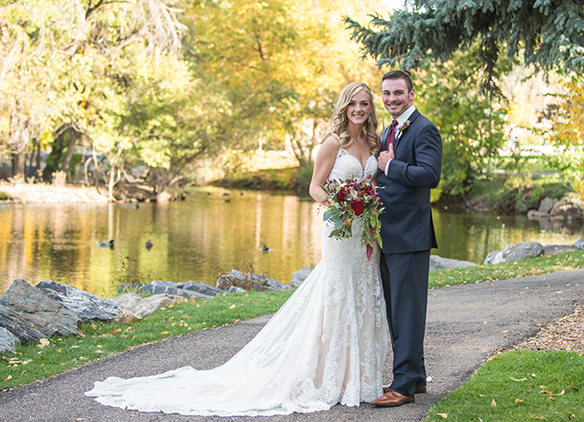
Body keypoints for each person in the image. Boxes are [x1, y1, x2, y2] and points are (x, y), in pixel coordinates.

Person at [85, 82, 389, 417]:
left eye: (364, 104)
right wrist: (341, 203)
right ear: (344, 107)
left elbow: (373, 185)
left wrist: (368, 201)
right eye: (353, 104)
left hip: (366, 233)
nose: (359, 110)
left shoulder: (374, 143)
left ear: (370, 108)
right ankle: (327, 377)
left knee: (363, 295)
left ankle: (358, 379)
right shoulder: (333, 143)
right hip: (340, 230)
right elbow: (314, 187)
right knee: (337, 295)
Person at [369, 70, 442, 408]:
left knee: (407, 312)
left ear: (412, 94)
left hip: (410, 236)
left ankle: (403, 387)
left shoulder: (424, 129)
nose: (391, 99)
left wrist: (391, 166)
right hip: (390, 234)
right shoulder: (389, 130)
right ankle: (416, 377)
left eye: (398, 93)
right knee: (399, 312)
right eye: (386, 93)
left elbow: (430, 175)